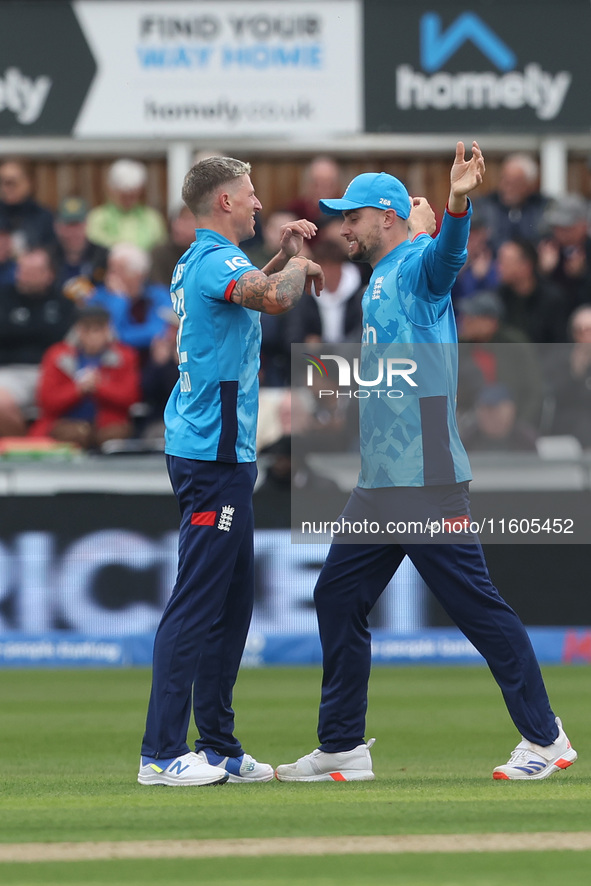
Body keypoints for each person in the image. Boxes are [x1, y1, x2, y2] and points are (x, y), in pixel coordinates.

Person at [275, 142, 577, 784]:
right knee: (336, 596)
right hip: (382, 482)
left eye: (351, 216)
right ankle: (343, 749)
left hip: (424, 479)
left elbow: (446, 260)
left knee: (478, 609)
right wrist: (329, 386)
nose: (341, 227)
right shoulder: (382, 277)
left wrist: (457, 205)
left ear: (385, 217)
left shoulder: (414, 263)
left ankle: (547, 739)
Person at [138, 156, 324, 787]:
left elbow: (248, 289)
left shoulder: (207, 260)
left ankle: (216, 745)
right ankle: (161, 755)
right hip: (210, 455)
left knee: (233, 602)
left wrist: (281, 256)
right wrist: (296, 266)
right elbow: (270, 300)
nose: (256, 203)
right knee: (197, 602)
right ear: (222, 203)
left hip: (224, 452)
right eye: (248, 195)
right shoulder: (216, 261)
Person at [29, 305, 140, 450]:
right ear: (77, 330)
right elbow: (47, 401)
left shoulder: (124, 356)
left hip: (108, 425)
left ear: (108, 330)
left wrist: (98, 387)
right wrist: (78, 389)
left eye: (98, 329)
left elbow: (129, 397)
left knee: (114, 434)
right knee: (76, 434)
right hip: (64, 422)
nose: (93, 335)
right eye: (87, 329)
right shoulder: (57, 356)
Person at [0, 247, 76, 436]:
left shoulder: (65, 303)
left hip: (55, 370)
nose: (25, 276)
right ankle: (21, 446)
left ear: (49, 274)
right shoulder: (3, 299)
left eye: (33, 272)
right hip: (12, 371)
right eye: (22, 270)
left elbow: (70, 345)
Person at [88, 243, 171, 361]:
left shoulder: (159, 296)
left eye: (119, 271)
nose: (111, 277)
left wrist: (120, 336)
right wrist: (119, 299)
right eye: (111, 269)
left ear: (139, 275)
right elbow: (103, 336)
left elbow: (159, 331)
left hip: (150, 362)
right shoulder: (99, 296)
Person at [496, 237, 567, 343]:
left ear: (526, 266)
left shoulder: (552, 300)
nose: (499, 267)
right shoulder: (498, 298)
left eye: (505, 262)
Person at [86, 159, 167, 251]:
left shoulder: (152, 219)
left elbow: (160, 249)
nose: (128, 200)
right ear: (111, 190)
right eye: (123, 195)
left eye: (133, 195)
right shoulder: (97, 218)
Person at [475, 152, 549, 253]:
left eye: (514, 183)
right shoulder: (484, 207)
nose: (506, 187)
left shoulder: (543, 208)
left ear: (529, 185)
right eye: (504, 180)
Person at [538, 193, 591, 314]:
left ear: (583, 225)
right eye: (556, 227)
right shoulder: (546, 247)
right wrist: (543, 271)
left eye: (567, 227)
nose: (560, 233)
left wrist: (581, 275)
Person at [51, 197, 109, 302]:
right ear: (57, 227)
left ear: (87, 224)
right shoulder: (48, 259)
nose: (74, 232)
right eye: (69, 225)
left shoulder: (104, 256)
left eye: (78, 225)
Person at [0, 158, 55, 250]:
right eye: (1, 182)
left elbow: (53, 253)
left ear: (27, 182)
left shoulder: (43, 217)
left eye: (11, 182)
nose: (5, 188)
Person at [149, 204, 197, 287]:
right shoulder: (159, 253)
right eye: (181, 219)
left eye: (189, 221)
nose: (181, 225)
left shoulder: (206, 255)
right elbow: (157, 290)